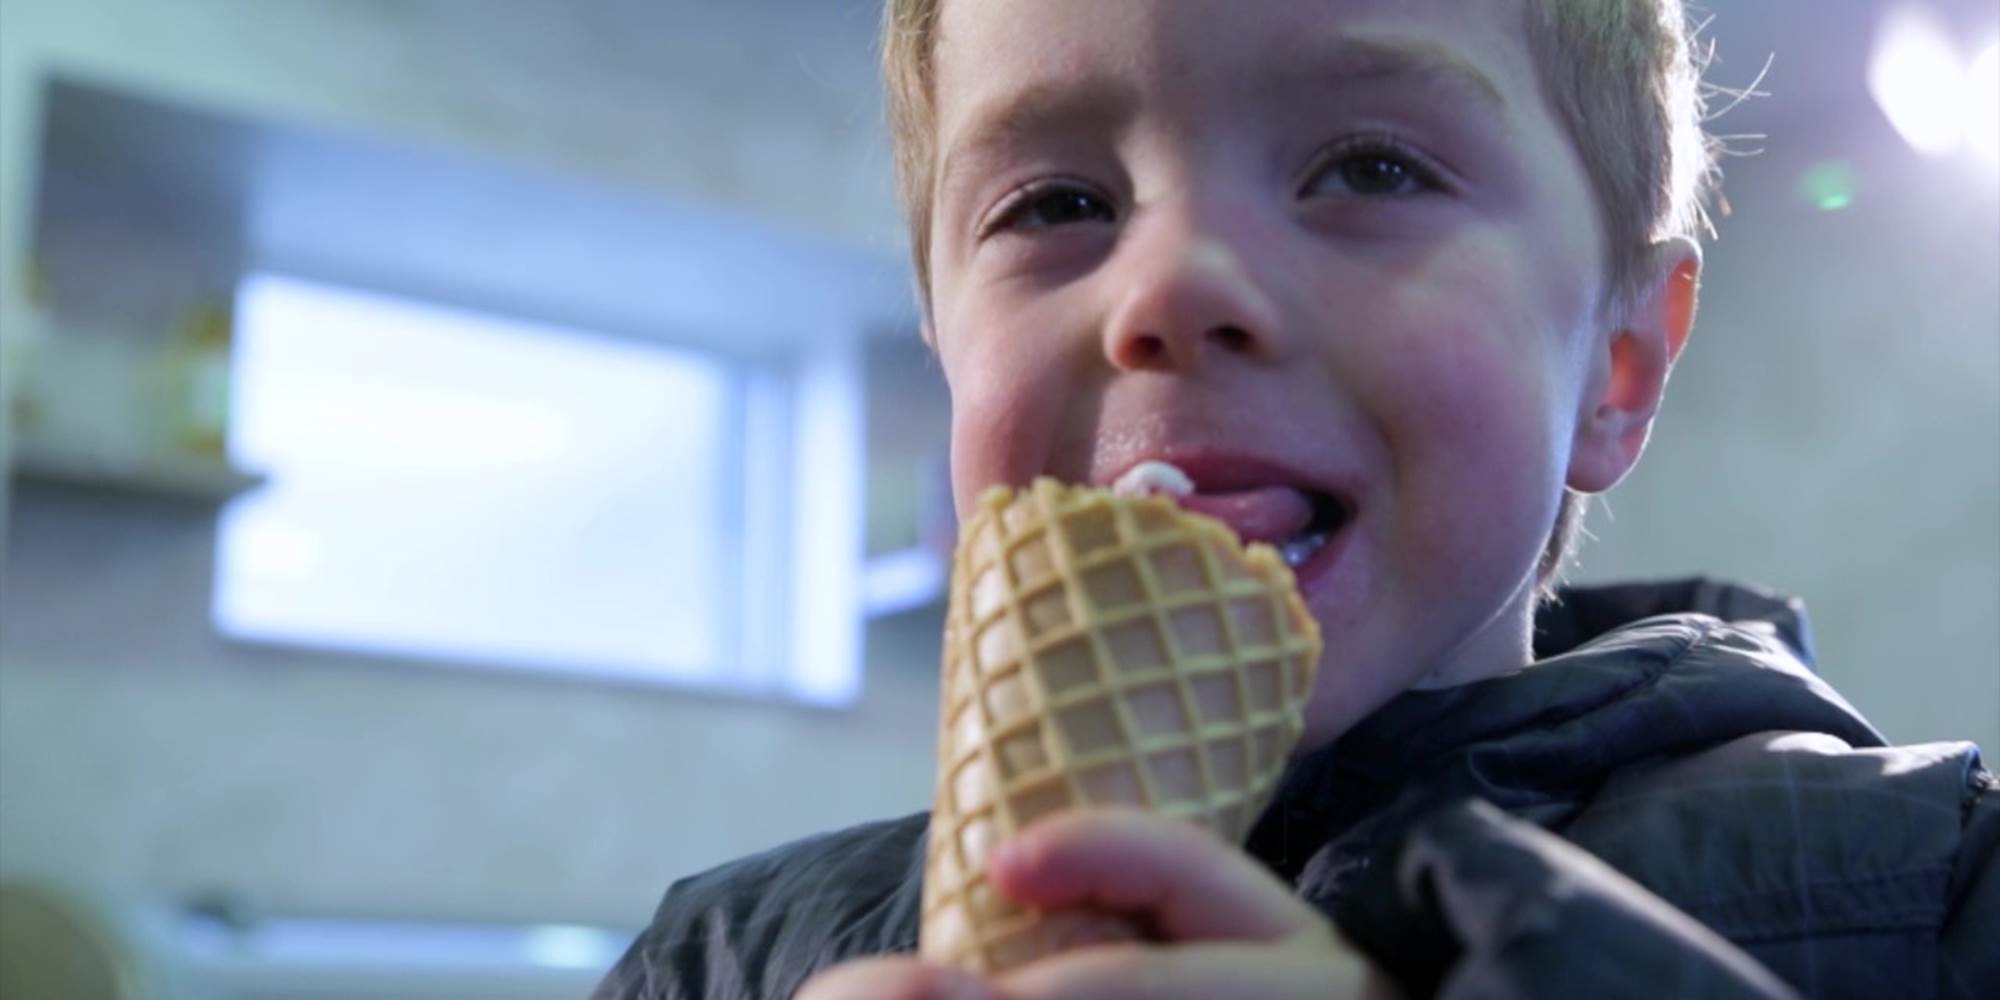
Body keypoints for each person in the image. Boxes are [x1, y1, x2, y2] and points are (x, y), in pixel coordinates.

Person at [594, 1, 1999, 997]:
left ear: (1615, 366)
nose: (1170, 288)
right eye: (1056, 205)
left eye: (1372, 168)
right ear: (945, 343)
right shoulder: (721, 965)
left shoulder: (1939, 902)